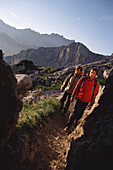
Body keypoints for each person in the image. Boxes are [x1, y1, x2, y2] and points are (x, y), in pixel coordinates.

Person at [64, 67, 99, 132]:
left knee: (80, 113)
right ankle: (68, 126)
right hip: (79, 98)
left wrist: (91, 103)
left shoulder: (96, 84)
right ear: (89, 72)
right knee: (74, 112)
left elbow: (94, 94)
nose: (92, 74)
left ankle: (75, 121)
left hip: (86, 101)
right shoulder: (83, 79)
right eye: (91, 72)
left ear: (95, 75)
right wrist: (73, 96)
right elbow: (77, 87)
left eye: (94, 73)